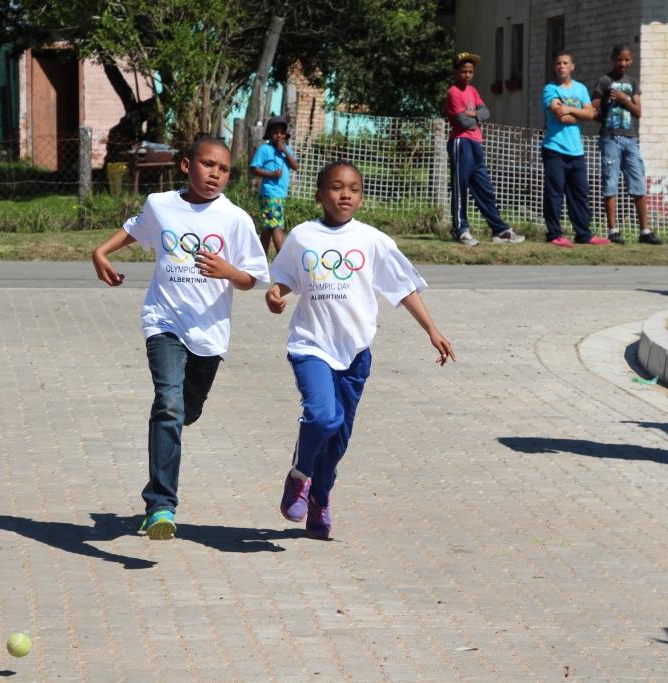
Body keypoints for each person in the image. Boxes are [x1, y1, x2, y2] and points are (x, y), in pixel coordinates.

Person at [91, 136, 270, 540]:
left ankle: (170, 426)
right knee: (168, 405)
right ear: (187, 165)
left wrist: (229, 272)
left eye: (223, 169)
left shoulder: (236, 219)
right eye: (208, 165)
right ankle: (160, 506)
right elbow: (134, 230)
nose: (215, 175)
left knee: (184, 410)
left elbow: (252, 279)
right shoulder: (161, 205)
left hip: (209, 334)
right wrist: (100, 253)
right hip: (164, 321)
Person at [265, 160, 455, 539]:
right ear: (320, 195)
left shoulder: (372, 240)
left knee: (338, 438)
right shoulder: (303, 236)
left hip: (354, 354)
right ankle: (299, 474)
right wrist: (275, 295)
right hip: (311, 345)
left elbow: (403, 288)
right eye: (336, 187)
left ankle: (320, 497)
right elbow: (283, 279)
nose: (345, 194)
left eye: (353, 188)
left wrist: (432, 329)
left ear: (362, 198)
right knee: (323, 418)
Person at [444, 51, 525, 247]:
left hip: (476, 143)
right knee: (461, 187)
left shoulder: (473, 91)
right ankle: (460, 229)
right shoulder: (453, 92)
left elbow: (486, 112)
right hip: (461, 142)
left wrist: (474, 115)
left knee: (484, 188)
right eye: (464, 71)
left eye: (471, 71)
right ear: (456, 72)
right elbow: (463, 122)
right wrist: (474, 117)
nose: (468, 75)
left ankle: (499, 229)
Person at [591, 44, 660, 245]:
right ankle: (613, 230)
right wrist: (603, 116)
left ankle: (645, 231)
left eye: (627, 60)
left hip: (630, 138)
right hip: (610, 137)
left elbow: (638, 112)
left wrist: (623, 99)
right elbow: (593, 109)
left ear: (631, 61)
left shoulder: (632, 82)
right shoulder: (604, 81)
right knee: (610, 181)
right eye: (620, 59)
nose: (623, 63)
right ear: (613, 59)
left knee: (637, 179)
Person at [542, 50, 609, 247]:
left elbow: (591, 114)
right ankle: (554, 234)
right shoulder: (550, 89)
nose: (561, 66)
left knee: (579, 193)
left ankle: (583, 234)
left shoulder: (580, 89)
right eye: (558, 63)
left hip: (576, 151)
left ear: (572, 66)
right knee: (555, 193)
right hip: (554, 148)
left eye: (565, 63)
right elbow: (559, 115)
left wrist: (570, 109)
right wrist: (580, 114)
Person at [249, 115, 298, 256]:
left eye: (281, 132)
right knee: (276, 226)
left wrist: (284, 151)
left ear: (285, 134)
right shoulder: (265, 149)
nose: (278, 135)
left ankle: (260, 258)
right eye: (275, 132)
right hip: (270, 194)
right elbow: (253, 168)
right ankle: (283, 259)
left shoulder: (286, 150)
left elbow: (295, 166)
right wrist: (271, 175)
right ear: (270, 134)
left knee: (268, 228)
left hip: (280, 194)